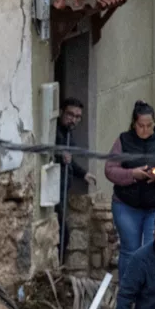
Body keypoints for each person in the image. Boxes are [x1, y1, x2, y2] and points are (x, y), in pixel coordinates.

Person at [104, 101, 155, 280]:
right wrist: (132, 174)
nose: (145, 130)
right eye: (141, 126)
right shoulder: (123, 140)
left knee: (151, 249)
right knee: (130, 249)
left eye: (149, 125)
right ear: (133, 124)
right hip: (126, 205)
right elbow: (110, 170)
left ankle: (148, 291)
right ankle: (128, 292)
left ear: (154, 123)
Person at [54, 98, 98, 263]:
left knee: (64, 234)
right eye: (70, 114)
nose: (74, 119)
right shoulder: (56, 132)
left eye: (78, 116)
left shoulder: (67, 132)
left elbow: (69, 158)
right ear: (61, 112)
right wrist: (59, 155)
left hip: (63, 190)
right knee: (62, 234)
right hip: (53, 191)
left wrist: (83, 174)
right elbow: (49, 152)